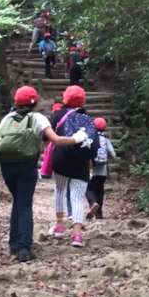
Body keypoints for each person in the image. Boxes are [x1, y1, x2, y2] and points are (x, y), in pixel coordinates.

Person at [0, 86, 88, 262]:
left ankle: (14, 244)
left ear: (16, 101)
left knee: (17, 202)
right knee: (24, 204)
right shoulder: (38, 118)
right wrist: (77, 138)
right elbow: (57, 140)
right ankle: (24, 248)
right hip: (26, 166)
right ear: (35, 102)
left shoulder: (7, 118)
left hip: (7, 166)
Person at [49, 86, 99, 247]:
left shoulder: (58, 115)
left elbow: (47, 136)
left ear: (66, 98)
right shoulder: (87, 118)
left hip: (61, 159)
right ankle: (77, 235)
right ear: (82, 100)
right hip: (81, 163)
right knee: (77, 197)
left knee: (60, 190)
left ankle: (59, 226)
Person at [86, 117, 116, 219]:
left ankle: (93, 203)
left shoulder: (90, 139)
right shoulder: (106, 140)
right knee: (100, 190)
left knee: (88, 188)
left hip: (91, 171)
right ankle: (99, 214)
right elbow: (113, 155)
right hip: (102, 171)